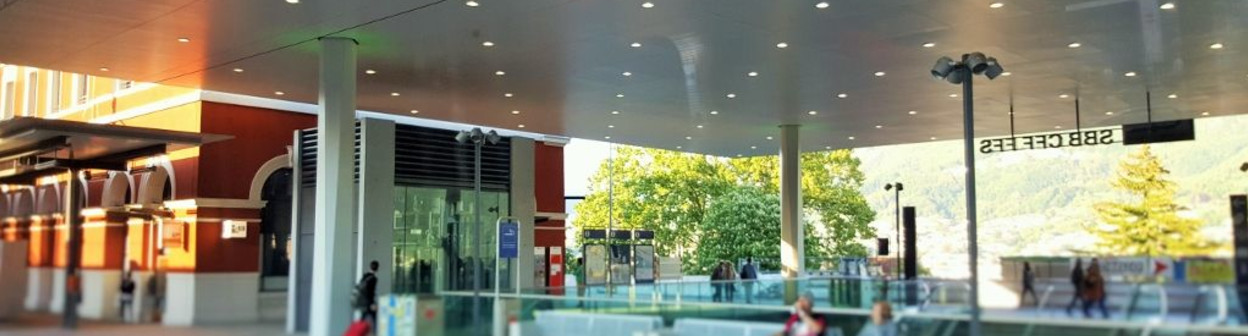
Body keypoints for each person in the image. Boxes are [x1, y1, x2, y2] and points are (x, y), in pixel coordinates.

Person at [354, 260, 380, 329]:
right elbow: (370, 292)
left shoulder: (364, 277)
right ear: (377, 268)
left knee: (363, 319)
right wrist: (372, 304)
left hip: (363, 302)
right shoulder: (373, 279)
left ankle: (358, 332)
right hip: (368, 303)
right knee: (374, 319)